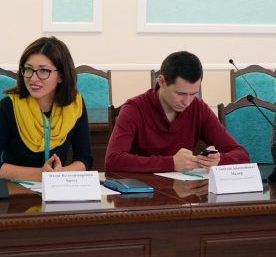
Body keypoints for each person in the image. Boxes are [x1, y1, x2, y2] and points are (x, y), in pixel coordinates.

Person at [105, 51, 249, 173]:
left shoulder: (199, 108)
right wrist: (171, 163)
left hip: (184, 191)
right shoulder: (134, 108)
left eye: (193, 94)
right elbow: (113, 160)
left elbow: (241, 154)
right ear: (162, 82)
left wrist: (219, 160)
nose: (187, 102)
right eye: (180, 93)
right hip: (143, 192)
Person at [0, 36, 93, 181]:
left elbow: (84, 159)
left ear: (61, 76)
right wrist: (39, 174)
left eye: (43, 71)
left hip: (57, 187)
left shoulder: (74, 105)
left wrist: (61, 173)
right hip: (17, 190)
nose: (33, 78)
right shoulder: (9, 106)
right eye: (28, 69)